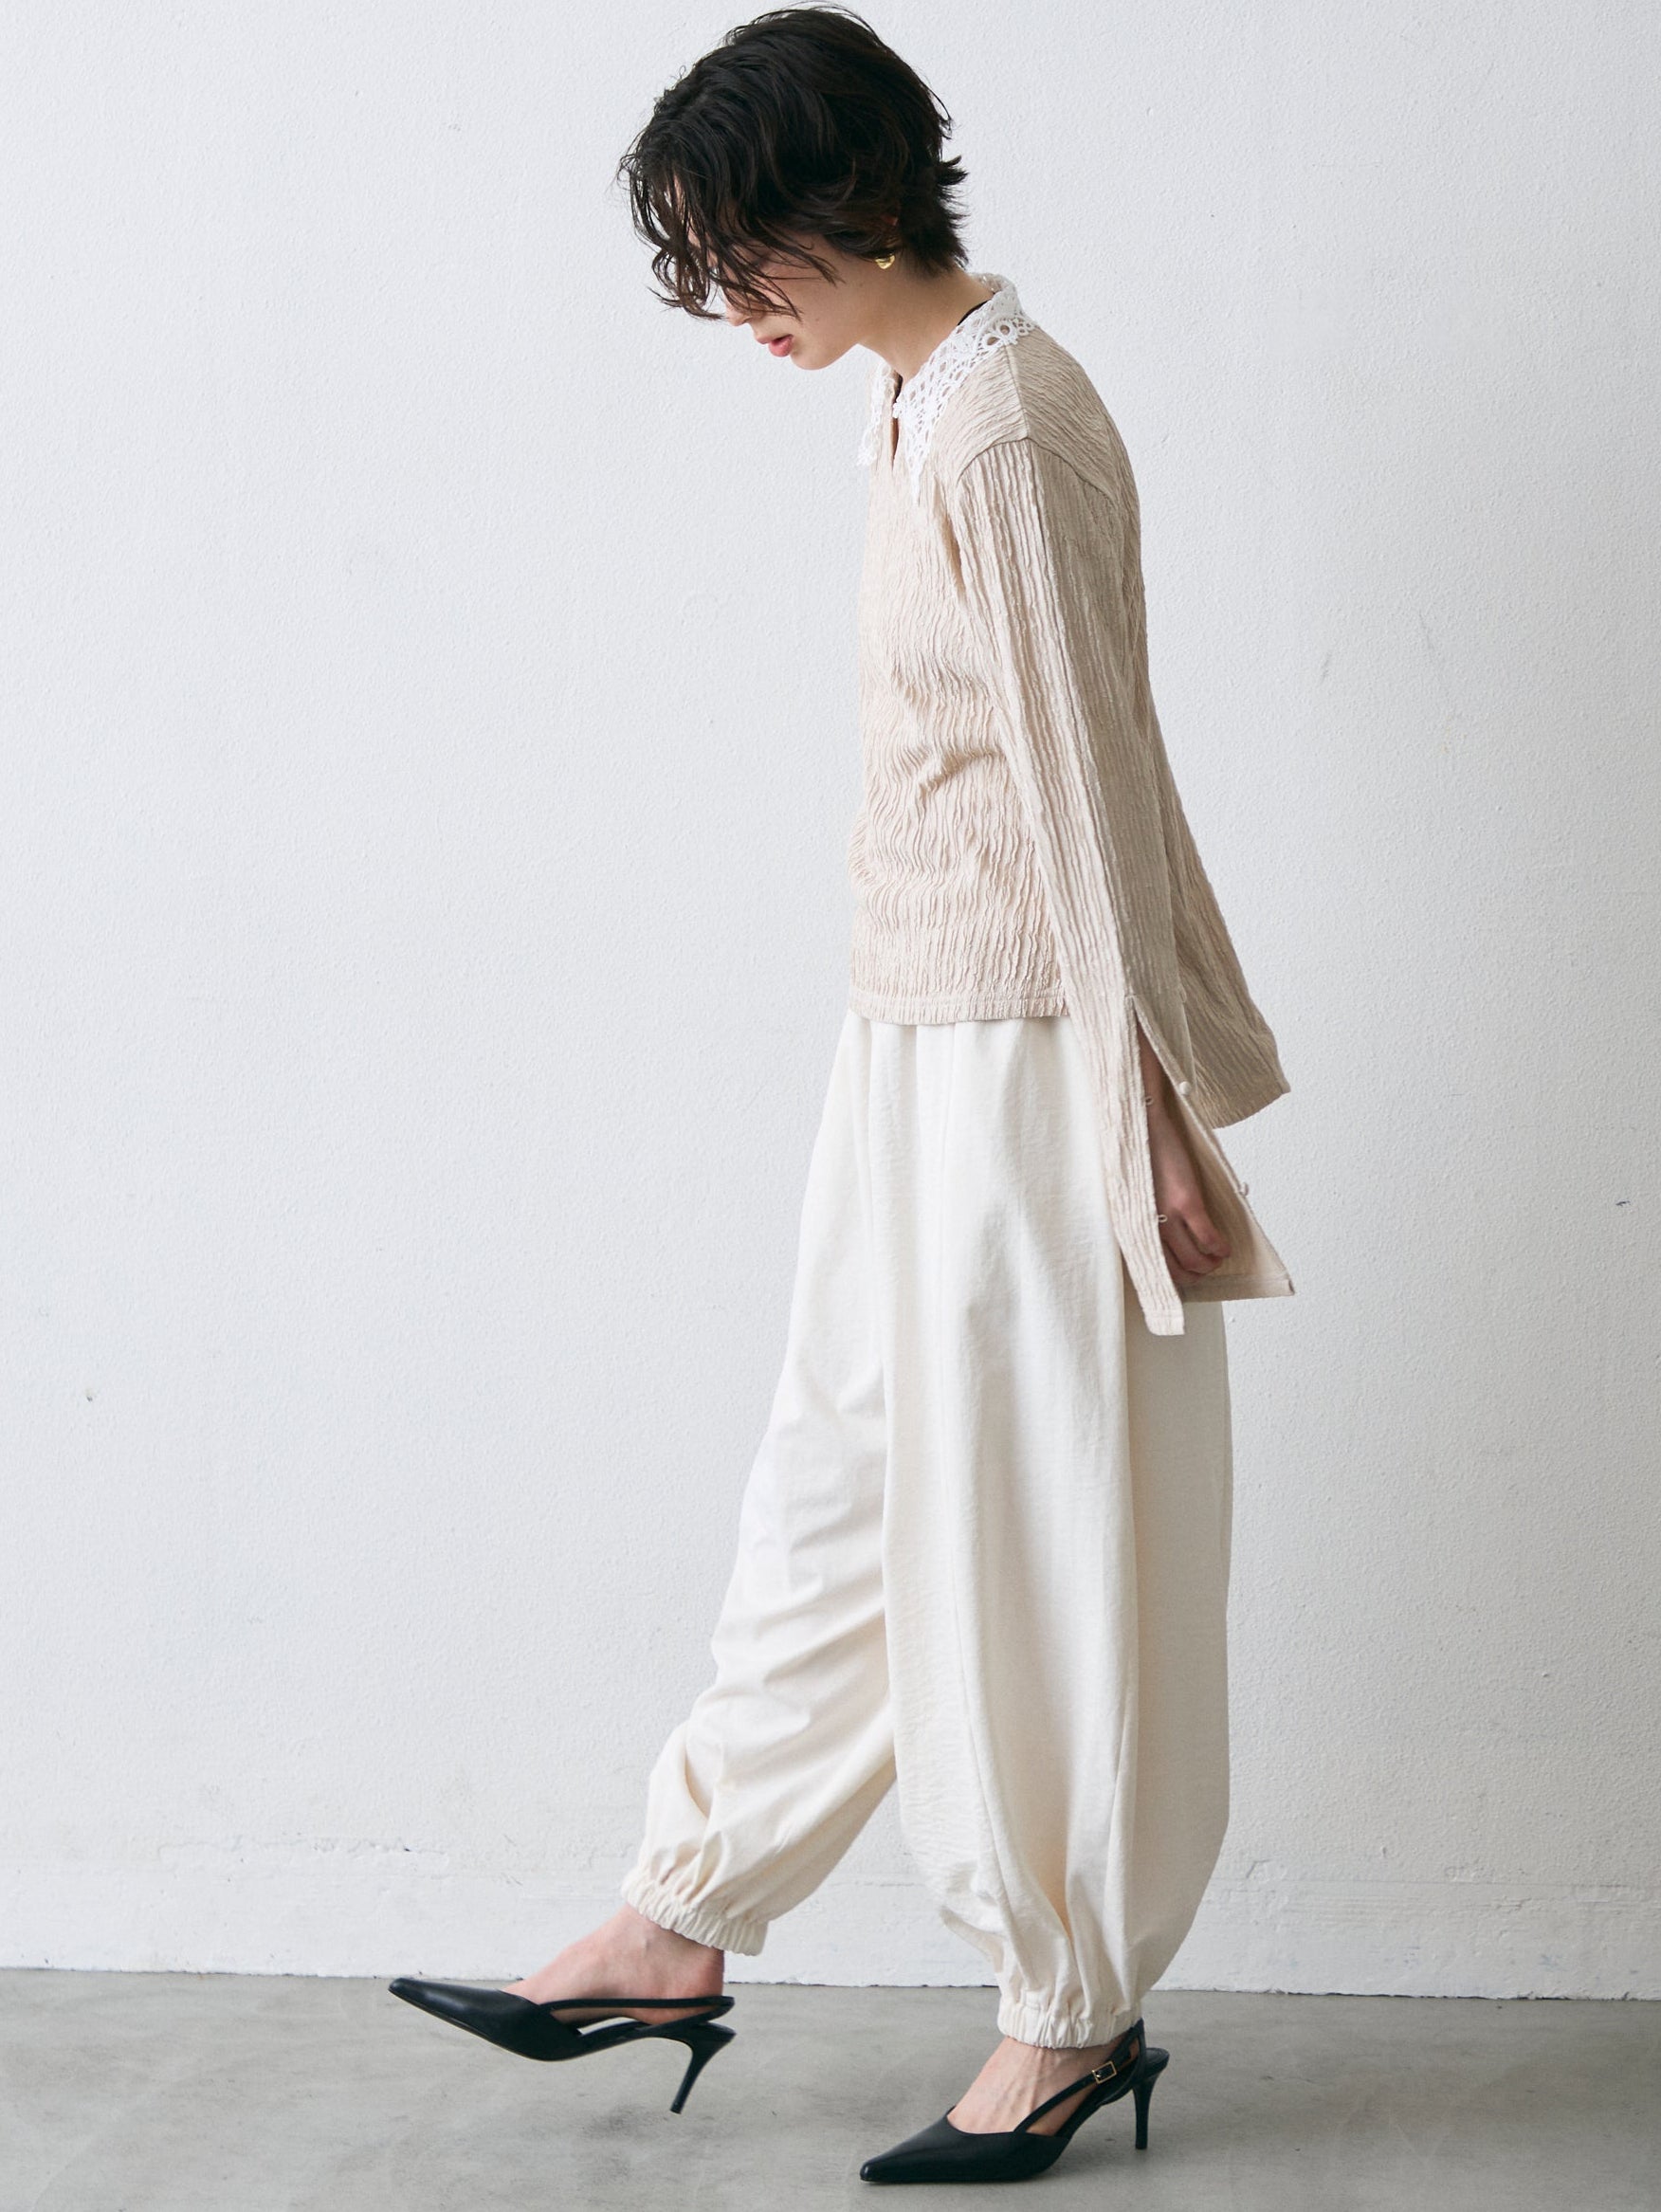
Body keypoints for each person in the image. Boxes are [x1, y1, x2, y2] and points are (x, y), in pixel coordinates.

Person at [389, 5, 1293, 2185]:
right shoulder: (915, 403)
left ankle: (1069, 2012)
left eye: (744, 255)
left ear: (854, 200)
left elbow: (1089, 788)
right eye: (702, 266)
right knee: (839, 1485)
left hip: (1034, 1053)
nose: (731, 307)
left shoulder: (1006, 429)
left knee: (1034, 1538)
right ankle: (678, 1914)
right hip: (915, 1035)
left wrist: (1146, 1105)